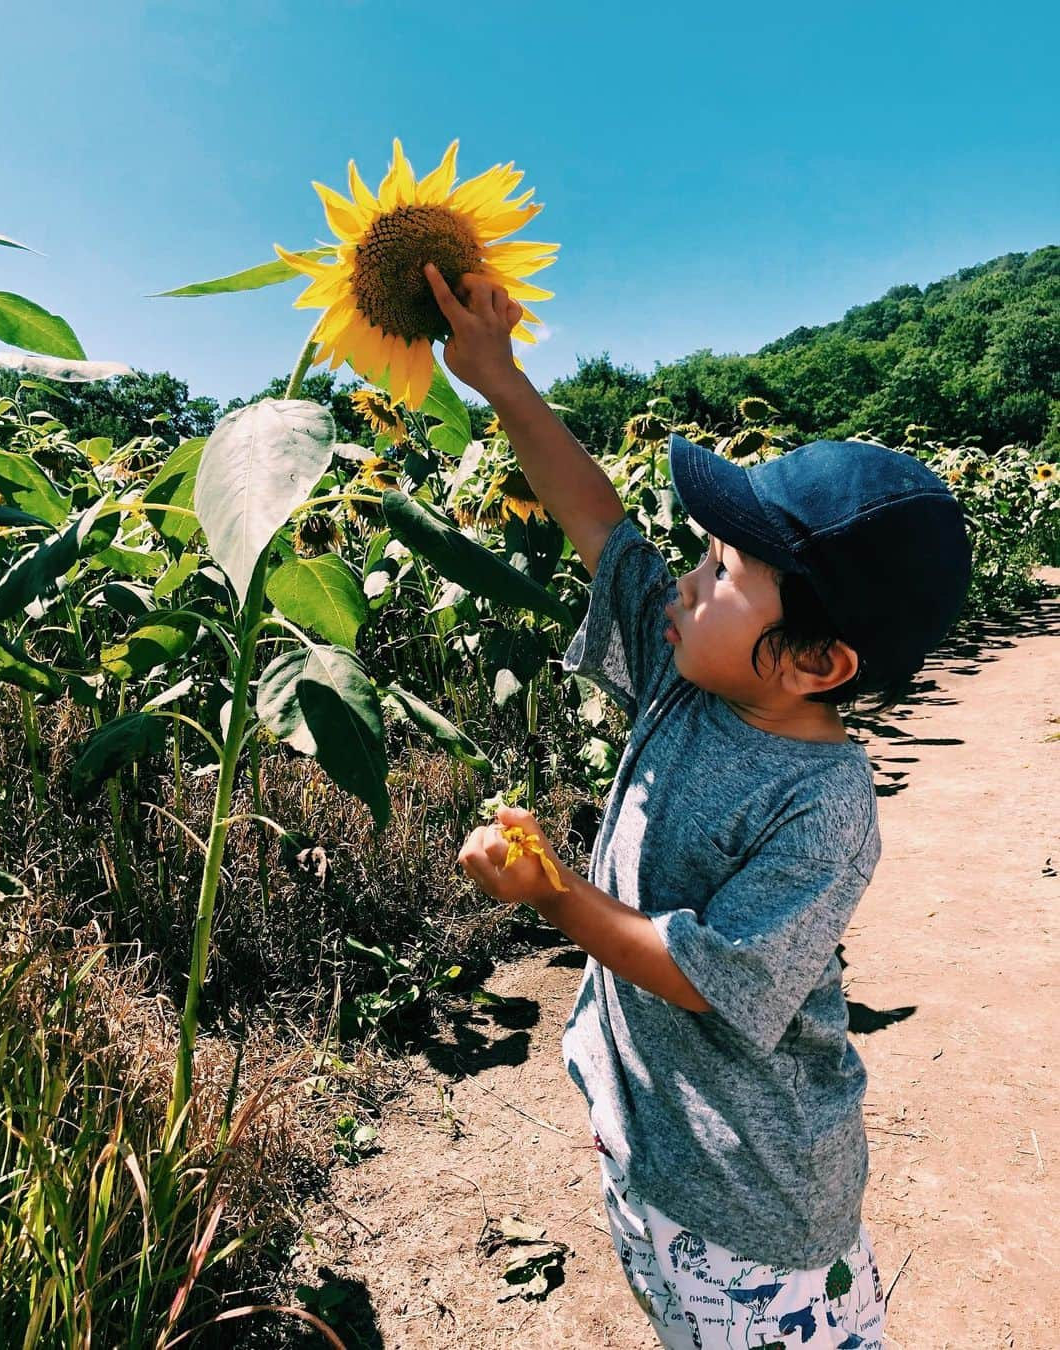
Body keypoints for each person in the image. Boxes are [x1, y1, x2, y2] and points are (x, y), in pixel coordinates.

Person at [424, 262, 971, 1349]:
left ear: (817, 661)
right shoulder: (689, 668)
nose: (683, 579)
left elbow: (709, 979)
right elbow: (600, 525)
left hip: (751, 1200)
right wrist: (501, 382)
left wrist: (557, 897)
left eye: (721, 570)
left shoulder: (823, 809)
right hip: (656, 1151)